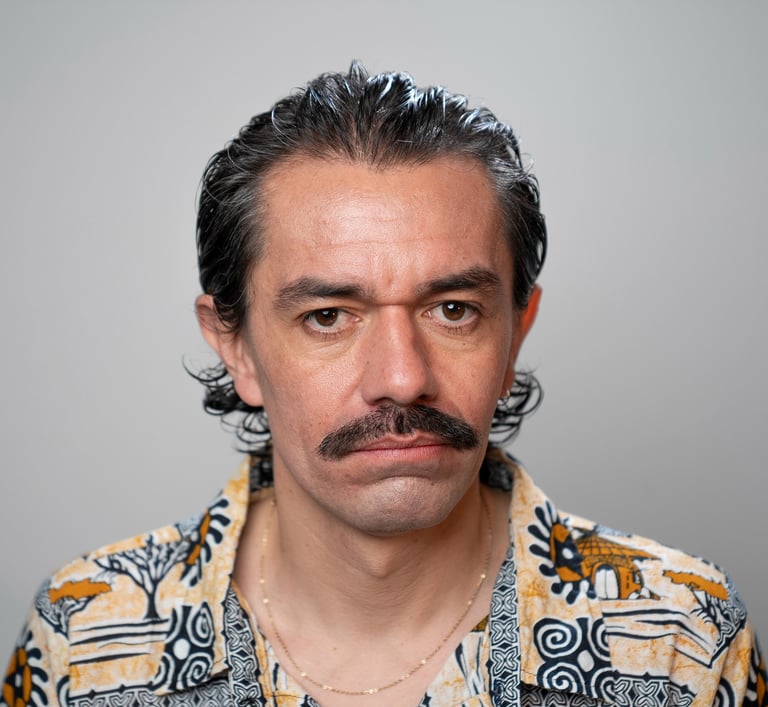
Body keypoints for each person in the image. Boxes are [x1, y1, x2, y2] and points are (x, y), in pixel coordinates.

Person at [3, 63, 765, 707]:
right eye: (329, 316)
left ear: (515, 332)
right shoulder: (83, 643)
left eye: (453, 309)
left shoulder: (684, 644)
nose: (402, 378)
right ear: (235, 345)